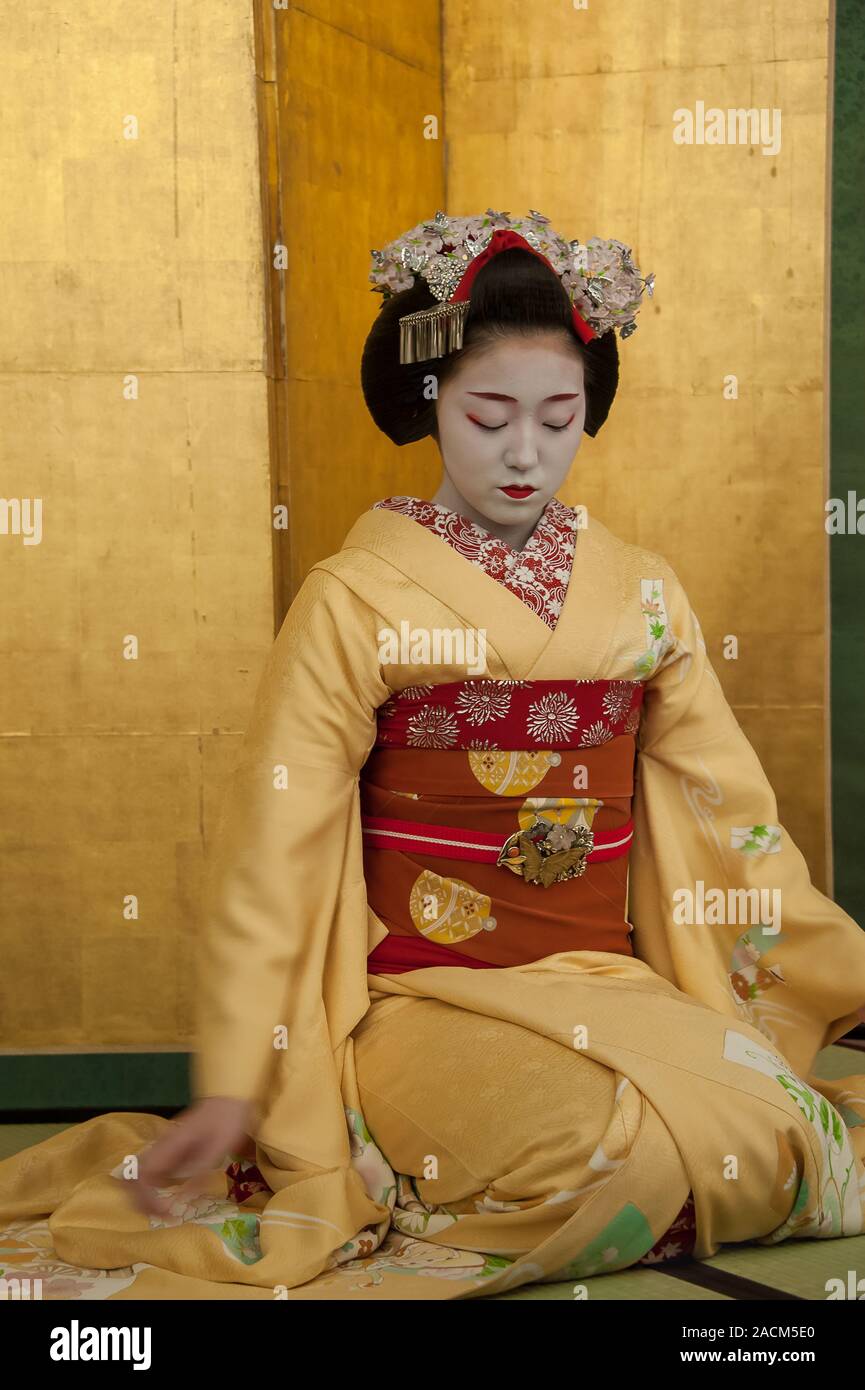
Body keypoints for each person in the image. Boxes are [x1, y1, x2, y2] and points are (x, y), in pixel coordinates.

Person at [2, 210, 864, 1302]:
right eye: (487, 413)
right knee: (615, 1154)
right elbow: (275, 856)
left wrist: (830, 961)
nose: (523, 452)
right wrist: (235, 1078)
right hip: (420, 1001)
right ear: (427, 404)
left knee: (777, 1133)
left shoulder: (642, 591)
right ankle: (375, 1137)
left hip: (609, 978)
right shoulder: (353, 600)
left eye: (557, 417)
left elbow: (729, 810)